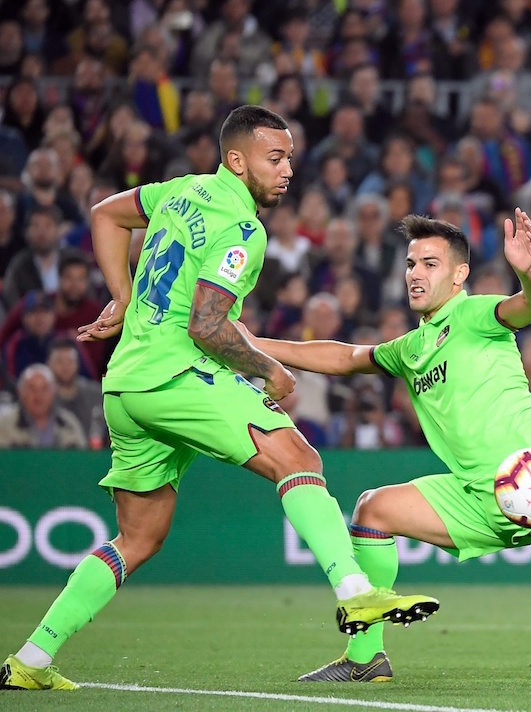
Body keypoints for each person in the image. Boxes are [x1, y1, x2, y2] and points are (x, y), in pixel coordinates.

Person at [0, 105, 436, 692]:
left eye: (289, 158)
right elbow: (206, 325)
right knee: (298, 458)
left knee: (139, 538)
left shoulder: (179, 191)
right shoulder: (242, 229)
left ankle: (30, 659)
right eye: (274, 158)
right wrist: (270, 370)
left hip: (125, 385)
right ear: (236, 160)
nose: (287, 170)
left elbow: (105, 216)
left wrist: (124, 297)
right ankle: (355, 591)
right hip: (176, 375)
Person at [242, 209, 531, 684]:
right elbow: (345, 357)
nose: (415, 274)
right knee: (372, 510)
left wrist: (527, 272)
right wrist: (254, 344)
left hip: (530, 469)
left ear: (459, 274)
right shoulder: (411, 348)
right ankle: (365, 659)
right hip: (470, 492)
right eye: (411, 264)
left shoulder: (474, 315)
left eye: (430, 264)